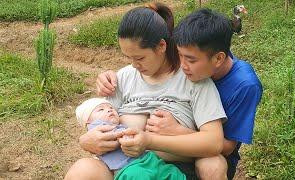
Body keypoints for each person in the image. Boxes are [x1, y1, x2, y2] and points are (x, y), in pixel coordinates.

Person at [65, 3, 227, 180]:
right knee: (82, 170)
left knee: (213, 163)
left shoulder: (193, 80)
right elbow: (99, 117)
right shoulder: (124, 77)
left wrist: (149, 141)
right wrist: (86, 140)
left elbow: (214, 142)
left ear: (161, 46)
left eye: (140, 58)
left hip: (170, 169)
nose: (134, 65)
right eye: (128, 58)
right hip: (121, 165)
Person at [97, 8, 263, 180]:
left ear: (218, 59)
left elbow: (224, 146)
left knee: (213, 165)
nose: (182, 66)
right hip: (157, 153)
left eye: (190, 59)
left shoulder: (243, 85)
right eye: (179, 55)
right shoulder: (197, 54)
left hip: (200, 154)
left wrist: (175, 131)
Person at [74, 97, 186, 179]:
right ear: (88, 120)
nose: (109, 110)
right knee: (140, 175)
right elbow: (114, 138)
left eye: (111, 108)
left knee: (167, 170)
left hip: (146, 158)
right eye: (101, 110)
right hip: (128, 167)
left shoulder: (116, 125)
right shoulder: (97, 128)